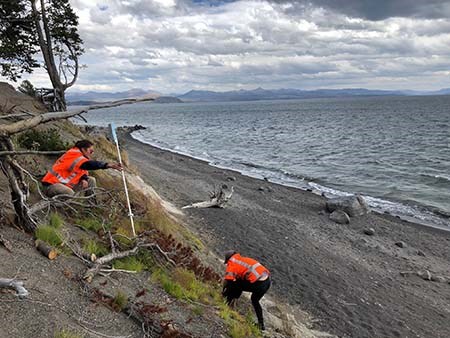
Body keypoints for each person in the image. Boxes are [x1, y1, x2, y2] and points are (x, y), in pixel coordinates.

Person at [41, 139, 122, 197]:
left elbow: (81, 170)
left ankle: (91, 204)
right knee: (69, 193)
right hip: (51, 185)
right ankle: (62, 209)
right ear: (83, 149)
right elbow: (88, 165)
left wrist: (84, 179)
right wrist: (108, 165)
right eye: (90, 151)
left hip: (64, 184)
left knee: (91, 180)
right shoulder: (74, 155)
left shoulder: (80, 157)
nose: (92, 153)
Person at [222, 250, 271, 330]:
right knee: (255, 300)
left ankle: (227, 303)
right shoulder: (243, 260)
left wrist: (224, 292)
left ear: (228, 260)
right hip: (267, 281)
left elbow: (229, 281)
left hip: (258, 283)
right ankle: (261, 325)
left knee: (236, 284)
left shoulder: (232, 263)